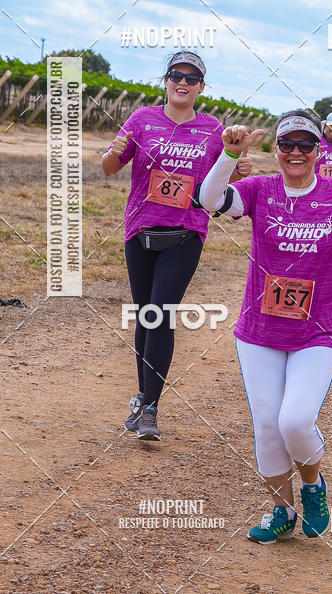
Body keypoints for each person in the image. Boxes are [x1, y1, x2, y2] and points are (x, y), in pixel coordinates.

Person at [198, 110, 332, 544]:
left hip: (316, 333)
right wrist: (228, 154)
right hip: (258, 332)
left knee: (294, 421)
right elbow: (209, 199)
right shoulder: (260, 189)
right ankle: (281, 510)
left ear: (319, 150)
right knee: (266, 425)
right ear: (276, 150)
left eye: (305, 145)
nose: (295, 153)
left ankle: (313, 487)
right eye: (286, 145)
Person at [101, 51, 252, 441]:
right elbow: (109, 167)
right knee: (144, 314)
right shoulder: (141, 119)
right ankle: (142, 396)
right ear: (165, 80)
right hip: (140, 229)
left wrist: (241, 166)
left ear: (202, 87)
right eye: (176, 75)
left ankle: (150, 409)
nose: (182, 82)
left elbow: (225, 177)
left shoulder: (212, 128)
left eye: (191, 77)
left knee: (161, 312)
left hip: (186, 231)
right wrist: (112, 153)